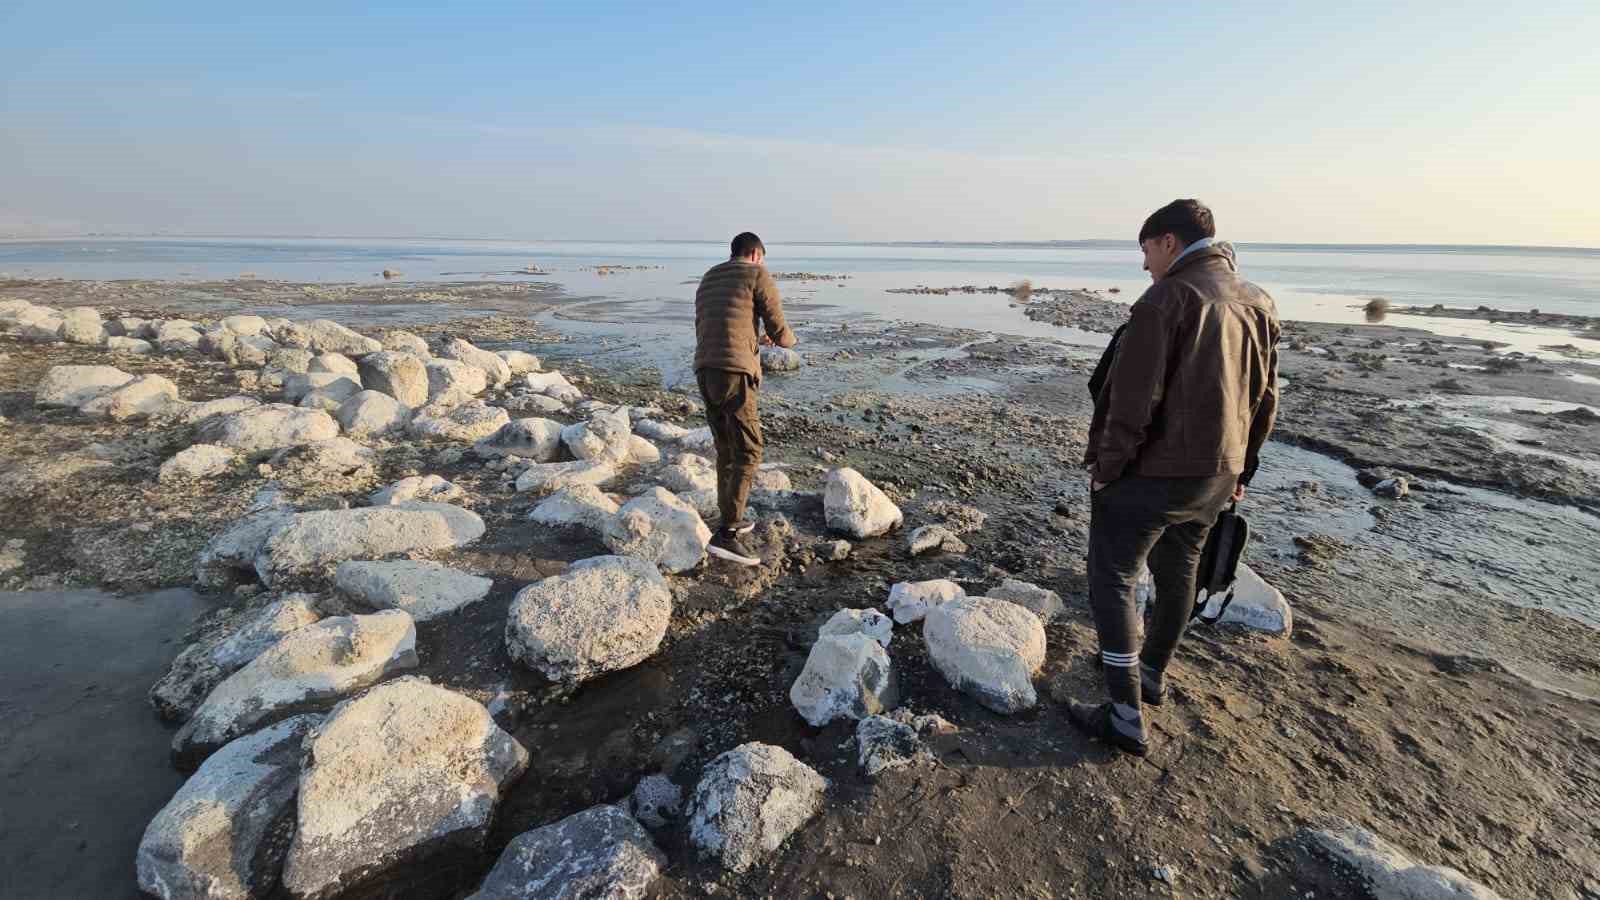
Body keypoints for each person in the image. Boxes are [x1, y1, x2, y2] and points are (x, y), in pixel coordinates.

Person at [1070, 199, 1281, 756]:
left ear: (1167, 242)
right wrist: (1243, 469)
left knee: (1111, 577)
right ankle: (1153, 674)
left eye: (1145, 250)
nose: (1143, 265)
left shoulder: (1167, 298)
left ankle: (1123, 713)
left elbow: (1132, 401)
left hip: (1153, 473)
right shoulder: (1257, 301)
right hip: (1218, 474)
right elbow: (1265, 399)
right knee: (1178, 570)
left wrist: (1106, 469)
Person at [693, 231, 797, 566]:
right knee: (750, 450)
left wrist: (754, 339)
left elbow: (715, 324)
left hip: (706, 369)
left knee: (726, 447)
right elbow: (780, 329)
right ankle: (727, 534)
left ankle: (730, 517)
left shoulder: (711, 277)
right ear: (755, 254)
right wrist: (787, 341)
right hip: (734, 373)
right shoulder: (756, 274)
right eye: (762, 258)